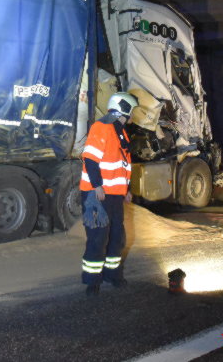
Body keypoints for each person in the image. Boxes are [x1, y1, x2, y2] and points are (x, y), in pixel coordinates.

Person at [79, 92, 137, 296]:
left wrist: (126, 190)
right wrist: (97, 186)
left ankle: (113, 275)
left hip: (114, 196)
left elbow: (122, 166)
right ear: (125, 108)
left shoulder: (121, 131)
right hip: (97, 196)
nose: (133, 115)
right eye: (133, 110)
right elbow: (91, 159)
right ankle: (92, 281)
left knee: (116, 237)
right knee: (97, 237)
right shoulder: (101, 127)